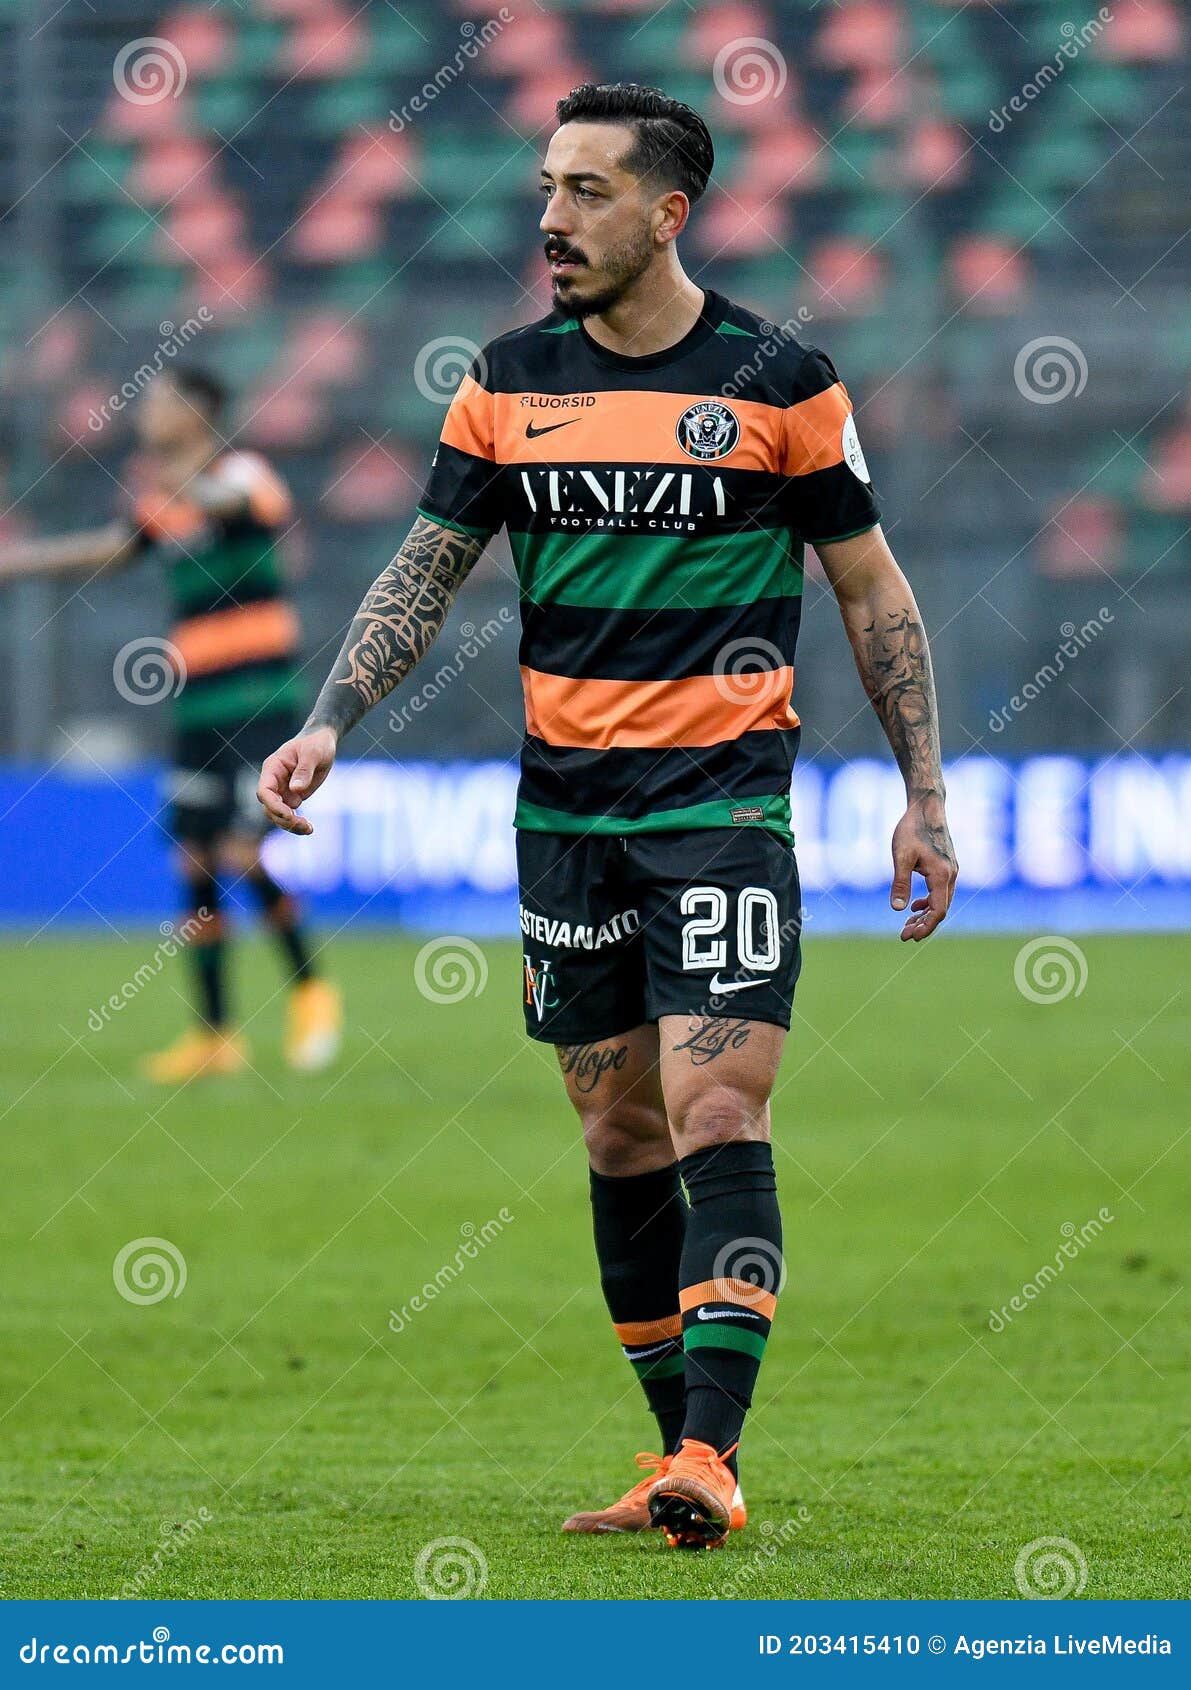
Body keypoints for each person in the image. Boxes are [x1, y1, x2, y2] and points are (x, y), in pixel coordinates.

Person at [257, 83, 957, 1550]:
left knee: (716, 1104)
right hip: (564, 814)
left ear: (668, 212)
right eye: (545, 187)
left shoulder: (779, 379)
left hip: (719, 807)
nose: (549, 219)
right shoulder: (507, 377)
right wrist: (329, 716)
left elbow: (870, 587)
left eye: (583, 191)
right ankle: (672, 1458)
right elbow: (426, 567)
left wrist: (923, 794)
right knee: (616, 1129)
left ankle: (713, 1448)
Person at [0, 367, 342, 1081]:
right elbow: (108, 549)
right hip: (196, 705)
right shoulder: (169, 498)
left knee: (242, 854)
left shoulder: (242, 474)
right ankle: (216, 1036)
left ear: (198, 412)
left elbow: (229, 502)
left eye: (160, 403)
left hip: (262, 703)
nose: (147, 413)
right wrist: (16, 562)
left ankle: (311, 990)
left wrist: (173, 464)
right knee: (193, 861)